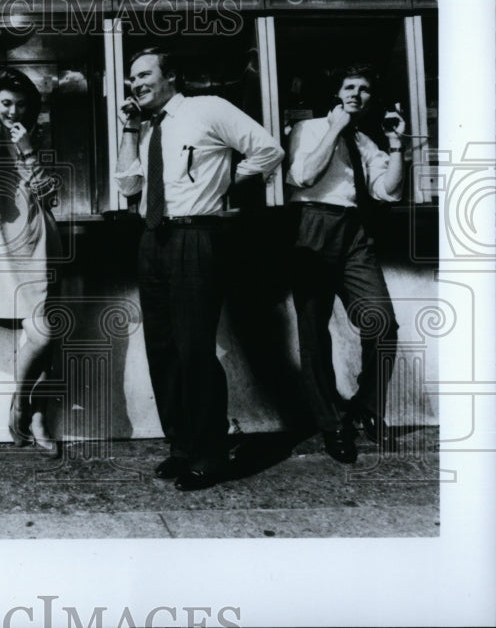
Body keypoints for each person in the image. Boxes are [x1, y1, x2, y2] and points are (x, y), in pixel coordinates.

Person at [116, 47, 284, 491]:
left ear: (170, 75)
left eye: (144, 74)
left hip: (196, 237)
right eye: (132, 78)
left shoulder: (207, 110)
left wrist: (226, 182)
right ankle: (183, 447)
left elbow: (269, 150)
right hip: (152, 239)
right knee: (163, 348)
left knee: (194, 349)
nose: (136, 84)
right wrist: (129, 131)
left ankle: (211, 455)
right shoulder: (147, 128)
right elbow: (129, 184)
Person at [285, 64, 407, 464]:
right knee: (314, 335)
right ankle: (331, 423)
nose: (357, 94)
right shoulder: (309, 128)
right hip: (312, 226)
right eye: (349, 86)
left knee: (382, 322)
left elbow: (387, 192)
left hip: (353, 232)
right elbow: (301, 176)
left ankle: (367, 406)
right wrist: (335, 128)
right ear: (336, 92)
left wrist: (395, 146)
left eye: (365, 89)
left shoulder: (366, 141)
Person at [0, 69, 61, 454]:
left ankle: (34, 414)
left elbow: (49, 192)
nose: (13, 111)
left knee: (46, 339)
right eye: (6, 103)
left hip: (42, 244)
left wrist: (27, 151)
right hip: (7, 250)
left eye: (21, 105)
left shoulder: (38, 141)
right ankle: (23, 405)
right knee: (44, 334)